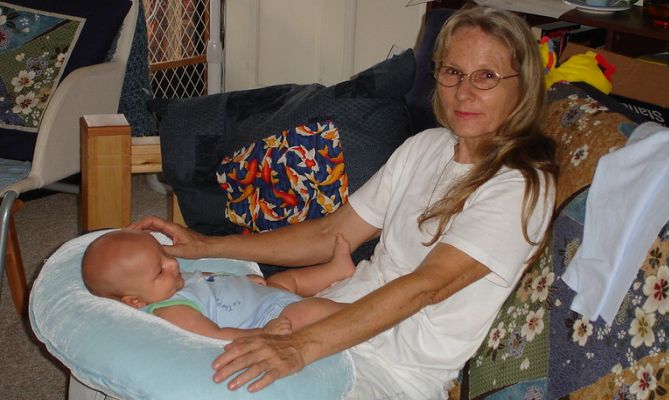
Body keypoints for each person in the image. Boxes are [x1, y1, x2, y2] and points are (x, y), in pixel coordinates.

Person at [131, 5, 558, 399]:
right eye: (453, 72)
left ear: (522, 87)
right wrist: (207, 246)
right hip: (325, 314)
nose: (464, 92)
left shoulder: (520, 185)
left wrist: (298, 348)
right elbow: (331, 234)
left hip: (388, 370)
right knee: (146, 332)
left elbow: (426, 288)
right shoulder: (427, 146)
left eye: (486, 77)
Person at [82, 229, 355, 340]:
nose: (173, 265)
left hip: (266, 293)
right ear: (136, 301)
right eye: (159, 270)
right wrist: (263, 332)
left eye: (164, 256)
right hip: (270, 317)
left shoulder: (172, 282)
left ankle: (336, 269)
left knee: (285, 280)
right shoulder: (172, 309)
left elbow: (207, 279)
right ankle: (358, 312)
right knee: (311, 310)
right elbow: (216, 335)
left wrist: (242, 280)